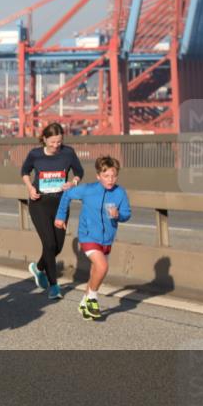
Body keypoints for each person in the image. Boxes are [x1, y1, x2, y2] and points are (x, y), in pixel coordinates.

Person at [55, 156, 131, 320]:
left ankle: (84, 301)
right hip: (88, 235)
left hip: (107, 239)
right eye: (106, 176)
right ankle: (93, 299)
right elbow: (67, 195)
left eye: (114, 176)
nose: (110, 180)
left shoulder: (120, 192)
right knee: (102, 267)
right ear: (98, 176)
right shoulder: (88, 189)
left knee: (96, 270)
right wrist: (60, 217)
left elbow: (127, 214)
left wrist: (118, 215)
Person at [21, 122, 84, 300]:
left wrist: (73, 183)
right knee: (48, 244)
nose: (56, 146)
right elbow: (25, 171)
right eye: (53, 142)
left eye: (59, 142)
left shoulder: (68, 153)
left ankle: (38, 267)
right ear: (45, 139)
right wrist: (30, 188)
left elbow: (79, 172)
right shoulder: (35, 154)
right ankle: (54, 286)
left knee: (57, 246)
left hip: (61, 205)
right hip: (39, 204)